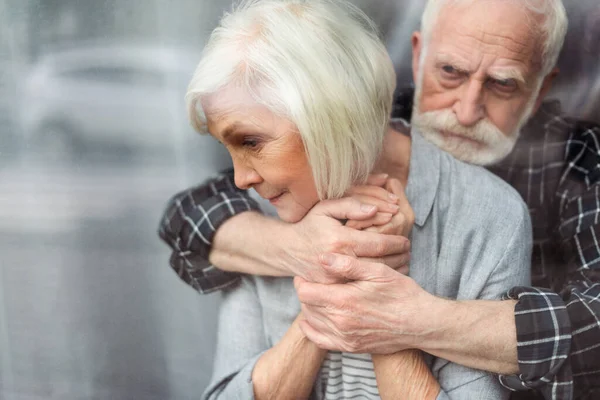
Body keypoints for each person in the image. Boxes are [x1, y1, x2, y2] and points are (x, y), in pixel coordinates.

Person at [159, 0, 600, 399]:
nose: (466, 111)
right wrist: (316, 259)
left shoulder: (536, 185)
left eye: (503, 84)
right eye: (449, 72)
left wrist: (386, 310)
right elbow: (188, 217)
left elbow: (590, 328)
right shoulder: (274, 191)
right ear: (418, 54)